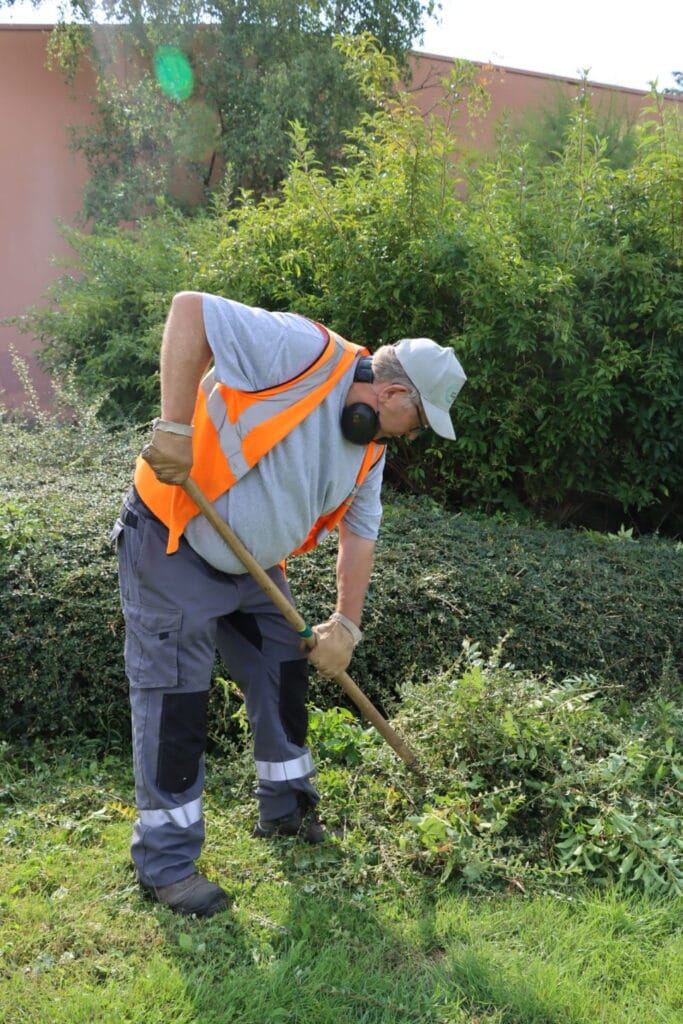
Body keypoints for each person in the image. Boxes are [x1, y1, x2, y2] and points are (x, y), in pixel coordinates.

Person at [111, 291, 466, 917]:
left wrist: (346, 626)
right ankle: (166, 865)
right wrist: (174, 428)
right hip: (176, 537)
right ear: (391, 394)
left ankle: (287, 811)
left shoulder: (370, 449)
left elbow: (361, 532)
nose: (410, 436)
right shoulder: (302, 352)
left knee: (284, 667)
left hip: (255, 569)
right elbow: (190, 310)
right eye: (415, 422)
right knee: (176, 699)